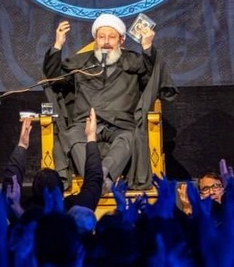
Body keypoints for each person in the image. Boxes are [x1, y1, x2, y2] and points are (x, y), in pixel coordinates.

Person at [43, 13, 157, 191]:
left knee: (130, 138)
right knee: (72, 136)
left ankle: (100, 177)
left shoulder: (133, 62)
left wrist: (147, 46)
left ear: (121, 40)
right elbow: (54, 79)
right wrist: (58, 44)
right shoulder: (82, 63)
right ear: (95, 39)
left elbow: (152, 80)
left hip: (121, 124)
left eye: (112, 37)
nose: (106, 42)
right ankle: (99, 180)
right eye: (101, 37)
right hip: (86, 123)